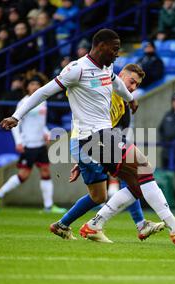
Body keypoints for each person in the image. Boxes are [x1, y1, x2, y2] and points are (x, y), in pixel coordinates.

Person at [0, 29, 175, 245]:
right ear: (101, 46)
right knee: (142, 166)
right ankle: (174, 227)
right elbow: (43, 92)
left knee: (123, 188)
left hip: (100, 137)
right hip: (91, 137)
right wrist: (16, 116)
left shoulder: (107, 66)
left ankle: (94, 224)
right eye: (115, 49)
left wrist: (129, 98)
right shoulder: (76, 70)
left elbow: (115, 81)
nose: (117, 54)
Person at [60, 64, 166, 241]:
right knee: (129, 176)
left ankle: (61, 225)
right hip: (86, 144)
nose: (132, 87)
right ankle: (140, 225)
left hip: (96, 145)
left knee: (99, 195)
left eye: (136, 85)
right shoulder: (103, 91)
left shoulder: (123, 104)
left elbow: (118, 132)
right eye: (131, 81)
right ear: (120, 75)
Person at [0, 76, 67, 214]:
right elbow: (15, 123)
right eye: (32, 84)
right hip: (28, 144)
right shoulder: (23, 102)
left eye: (37, 84)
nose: (35, 86)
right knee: (23, 175)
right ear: (27, 87)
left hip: (40, 144)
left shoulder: (43, 102)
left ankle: (48, 206)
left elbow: (41, 123)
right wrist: (19, 142)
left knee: (45, 172)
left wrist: (46, 133)